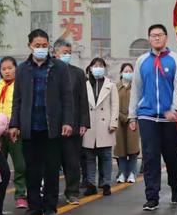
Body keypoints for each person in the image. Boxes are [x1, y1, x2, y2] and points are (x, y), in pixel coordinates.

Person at [9, 29, 73, 215]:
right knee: (31, 169)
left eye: (44, 46)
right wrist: (14, 124)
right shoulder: (22, 69)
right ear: (30, 46)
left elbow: (67, 97)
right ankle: (34, 206)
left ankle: (50, 207)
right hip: (30, 127)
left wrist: (67, 121)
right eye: (37, 46)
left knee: (52, 168)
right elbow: (17, 99)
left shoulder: (59, 67)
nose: (41, 49)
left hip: (51, 127)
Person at [128, 24, 177, 211]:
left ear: (166, 38)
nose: (157, 38)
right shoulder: (142, 61)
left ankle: (175, 188)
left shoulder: (176, 60)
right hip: (148, 115)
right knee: (150, 157)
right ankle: (152, 197)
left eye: (160, 35)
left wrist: (174, 109)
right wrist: (132, 115)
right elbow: (136, 89)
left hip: (170, 117)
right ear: (149, 39)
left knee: (173, 157)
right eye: (153, 35)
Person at [0, 56, 27, 209]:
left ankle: (21, 195)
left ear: (16, 69)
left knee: (20, 165)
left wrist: (16, 126)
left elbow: (23, 109)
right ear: (0, 71)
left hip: (15, 132)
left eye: (10, 68)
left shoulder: (21, 86)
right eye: (4, 69)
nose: (7, 71)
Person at [53, 38, 90, 205]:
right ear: (55, 53)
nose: (67, 56)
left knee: (72, 161)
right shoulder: (48, 71)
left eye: (69, 53)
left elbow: (83, 99)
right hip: (52, 124)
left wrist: (84, 123)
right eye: (63, 53)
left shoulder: (78, 73)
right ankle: (51, 194)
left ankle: (72, 192)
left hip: (73, 124)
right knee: (52, 161)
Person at [82, 58, 119, 196]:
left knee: (106, 156)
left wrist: (113, 122)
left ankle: (106, 183)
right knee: (90, 156)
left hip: (106, 125)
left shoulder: (110, 85)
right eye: (95, 65)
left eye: (101, 65)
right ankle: (91, 183)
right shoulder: (85, 85)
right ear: (90, 68)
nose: (98, 68)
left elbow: (115, 105)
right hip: (89, 125)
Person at [115, 63, 141, 183]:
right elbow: (113, 104)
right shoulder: (115, 87)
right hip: (119, 121)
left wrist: (132, 117)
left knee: (132, 149)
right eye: (126, 71)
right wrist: (120, 116)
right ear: (121, 72)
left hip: (133, 121)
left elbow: (139, 103)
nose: (128, 73)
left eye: (130, 71)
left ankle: (132, 173)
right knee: (121, 149)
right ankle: (121, 173)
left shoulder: (136, 87)